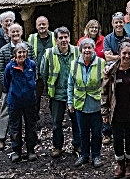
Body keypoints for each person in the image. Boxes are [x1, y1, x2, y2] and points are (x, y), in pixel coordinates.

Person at [102, 41, 130, 178]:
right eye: (124, 53)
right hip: (116, 111)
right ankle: (120, 164)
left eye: (129, 53)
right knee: (117, 139)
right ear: (119, 54)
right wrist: (105, 111)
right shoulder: (112, 71)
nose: (127, 56)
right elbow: (105, 92)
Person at [41, 27, 80, 158]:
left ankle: (78, 144)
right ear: (56, 40)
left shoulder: (77, 51)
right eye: (60, 38)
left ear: (69, 38)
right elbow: (43, 73)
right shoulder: (49, 53)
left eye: (66, 37)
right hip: (56, 94)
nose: (64, 40)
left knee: (76, 121)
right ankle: (58, 146)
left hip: (74, 94)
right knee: (57, 123)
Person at [0, 24, 34, 151]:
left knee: (30, 125)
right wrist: (9, 89)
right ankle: (12, 146)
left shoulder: (30, 54)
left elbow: (34, 70)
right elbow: (2, 73)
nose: (15, 34)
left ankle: (30, 148)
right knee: (13, 123)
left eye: (18, 31)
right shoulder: (4, 52)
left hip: (28, 98)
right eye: (13, 32)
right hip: (13, 94)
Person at [68, 38, 106, 168]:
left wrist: (105, 104)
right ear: (81, 50)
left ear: (94, 49)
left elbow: (105, 85)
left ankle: (96, 155)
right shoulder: (74, 64)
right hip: (80, 104)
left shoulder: (101, 63)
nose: (87, 50)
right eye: (85, 48)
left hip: (95, 103)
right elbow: (70, 84)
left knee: (96, 132)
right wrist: (70, 102)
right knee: (82, 132)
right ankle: (84, 155)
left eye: (90, 47)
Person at [3, 42, 39, 162]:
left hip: (30, 101)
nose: (22, 54)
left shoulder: (31, 64)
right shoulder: (10, 67)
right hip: (15, 101)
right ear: (15, 54)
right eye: (19, 52)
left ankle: (31, 150)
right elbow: (6, 83)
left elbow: (34, 78)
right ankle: (16, 151)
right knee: (15, 127)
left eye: (24, 52)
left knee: (31, 126)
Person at [103, 12, 130, 144]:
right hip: (111, 73)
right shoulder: (108, 38)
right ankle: (107, 132)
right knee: (109, 97)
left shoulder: (129, 37)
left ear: (124, 23)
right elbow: (107, 57)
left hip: (126, 70)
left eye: (121, 22)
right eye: (116, 22)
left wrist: (115, 56)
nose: (119, 24)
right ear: (112, 23)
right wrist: (120, 57)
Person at [27, 16, 56, 123]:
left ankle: (55, 119)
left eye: (44, 24)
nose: (42, 26)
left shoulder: (54, 36)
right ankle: (34, 120)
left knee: (53, 97)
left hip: (52, 73)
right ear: (36, 26)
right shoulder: (32, 38)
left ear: (48, 25)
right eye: (40, 24)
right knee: (35, 98)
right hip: (37, 73)